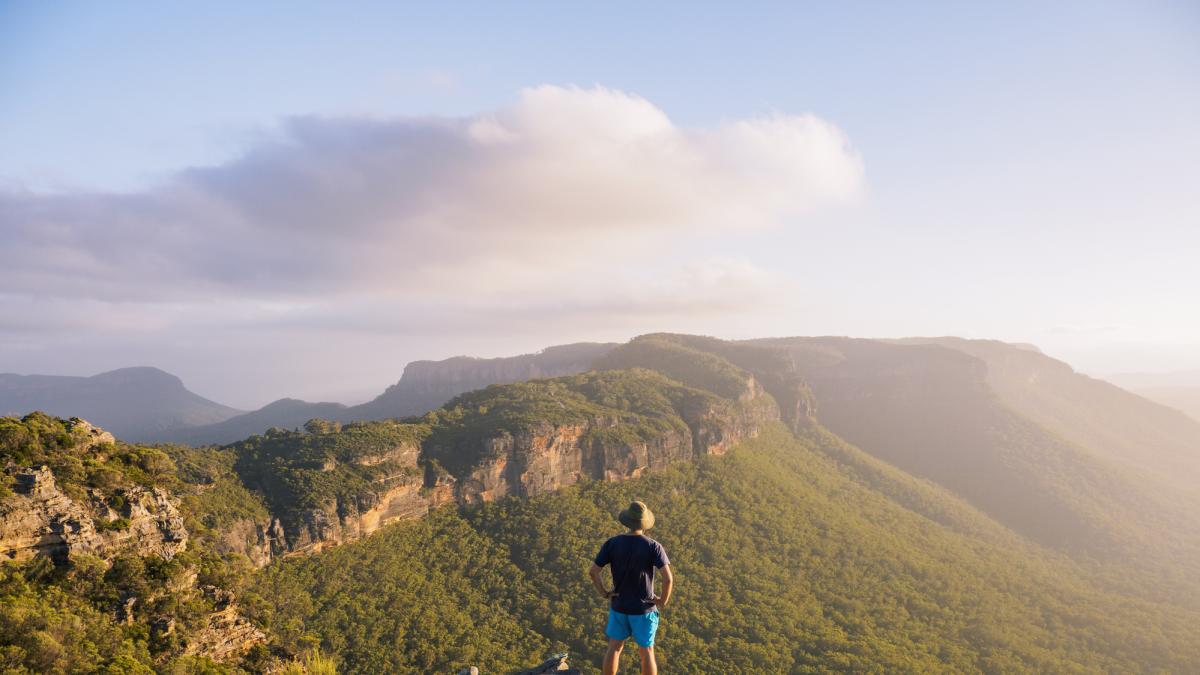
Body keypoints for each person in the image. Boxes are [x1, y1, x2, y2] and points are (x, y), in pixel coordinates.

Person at [588, 501, 674, 675]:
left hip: (619, 606)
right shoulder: (653, 546)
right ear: (644, 523)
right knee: (646, 652)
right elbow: (668, 579)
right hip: (644, 609)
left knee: (614, 648)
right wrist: (662, 600)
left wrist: (605, 593)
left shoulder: (612, 543)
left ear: (627, 521)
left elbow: (593, 572)